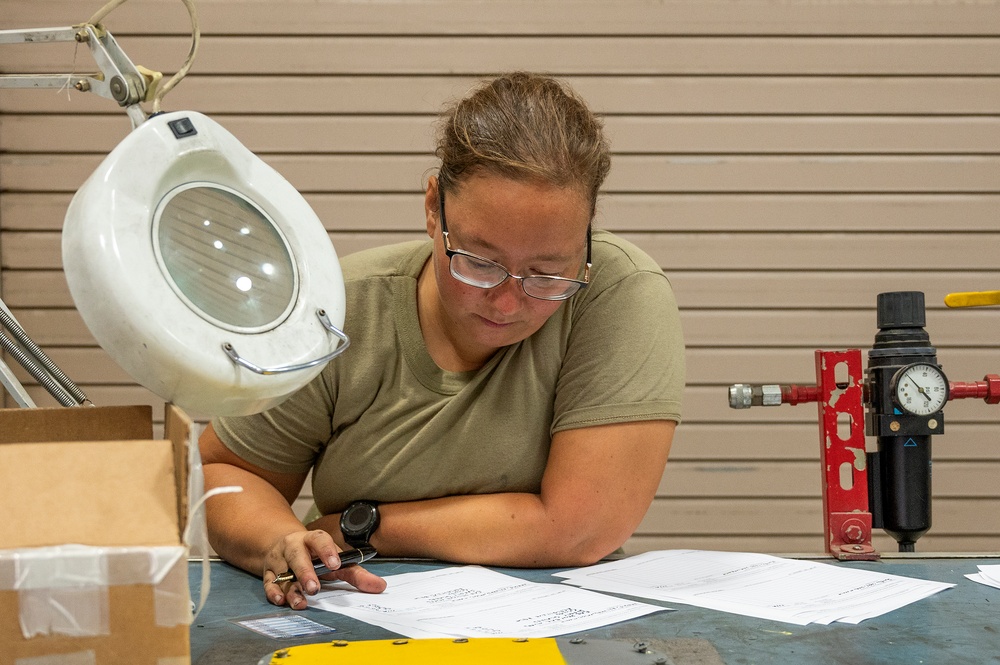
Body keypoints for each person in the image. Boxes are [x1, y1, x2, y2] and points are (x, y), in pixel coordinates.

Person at [199, 71, 685, 610]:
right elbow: (228, 471)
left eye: (548, 274)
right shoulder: (338, 312)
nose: (506, 302)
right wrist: (279, 539)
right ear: (434, 208)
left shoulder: (617, 293)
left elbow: (578, 529)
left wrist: (366, 527)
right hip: (352, 607)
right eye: (479, 262)